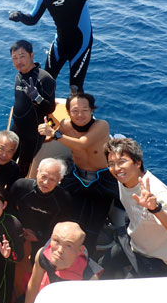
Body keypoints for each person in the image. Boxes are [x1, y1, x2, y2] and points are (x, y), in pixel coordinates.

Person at [9, 0, 116, 92]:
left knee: (75, 87)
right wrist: (21, 16)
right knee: (45, 81)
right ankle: (46, 112)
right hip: (60, 44)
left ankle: (79, 114)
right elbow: (33, 19)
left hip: (81, 45)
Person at [38, 93, 119, 254]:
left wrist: (55, 134)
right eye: (75, 110)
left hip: (101, 179)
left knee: (94, 222)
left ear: (91, 111)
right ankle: (55, 250)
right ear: (68, 112)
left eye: (85, 110)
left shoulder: (102, 126)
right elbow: (51, 138)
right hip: (77, 176)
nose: (80, 114)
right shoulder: (65, 126)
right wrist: (44, 131)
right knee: (68, 215)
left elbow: (83, 144)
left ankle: (85, 255)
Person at [101, 138, 167, 278]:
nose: (116, 169)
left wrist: (155, 209)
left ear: (137, 162)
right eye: (111, 164)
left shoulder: (157, 191)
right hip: (134, 244)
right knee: (103, 265)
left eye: (122, 162)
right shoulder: (122, 179)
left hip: (160, 261)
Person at [24, 222, 103, 303]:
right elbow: (33, 285)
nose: (60, 250)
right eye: (56, 241)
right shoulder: (43, 255)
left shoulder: (89, 277)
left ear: (80, 250)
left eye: (68, 246)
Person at [10, 158, 73, 262]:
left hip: (44, 234)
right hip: (18, 228)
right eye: (43, 176)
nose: (45, 182)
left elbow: (62, 226)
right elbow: (9, 209)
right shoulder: (21, 186)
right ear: (37, 172)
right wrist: (18, 229)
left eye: (52, 179)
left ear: (59, 180)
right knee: (13, 257)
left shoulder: (63, 198)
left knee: (38, 261)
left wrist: (39, 237)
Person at [9, 40, 56, 177]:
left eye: (22, 56)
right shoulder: (19, 76)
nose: (19, 61)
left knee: (22, 167)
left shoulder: (44, 78)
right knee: (6, 159)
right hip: (17, 127)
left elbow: (50, 108)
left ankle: (15, 193)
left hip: (32, 134)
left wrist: (36, 97)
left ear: (32, 55)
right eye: (15, 58)